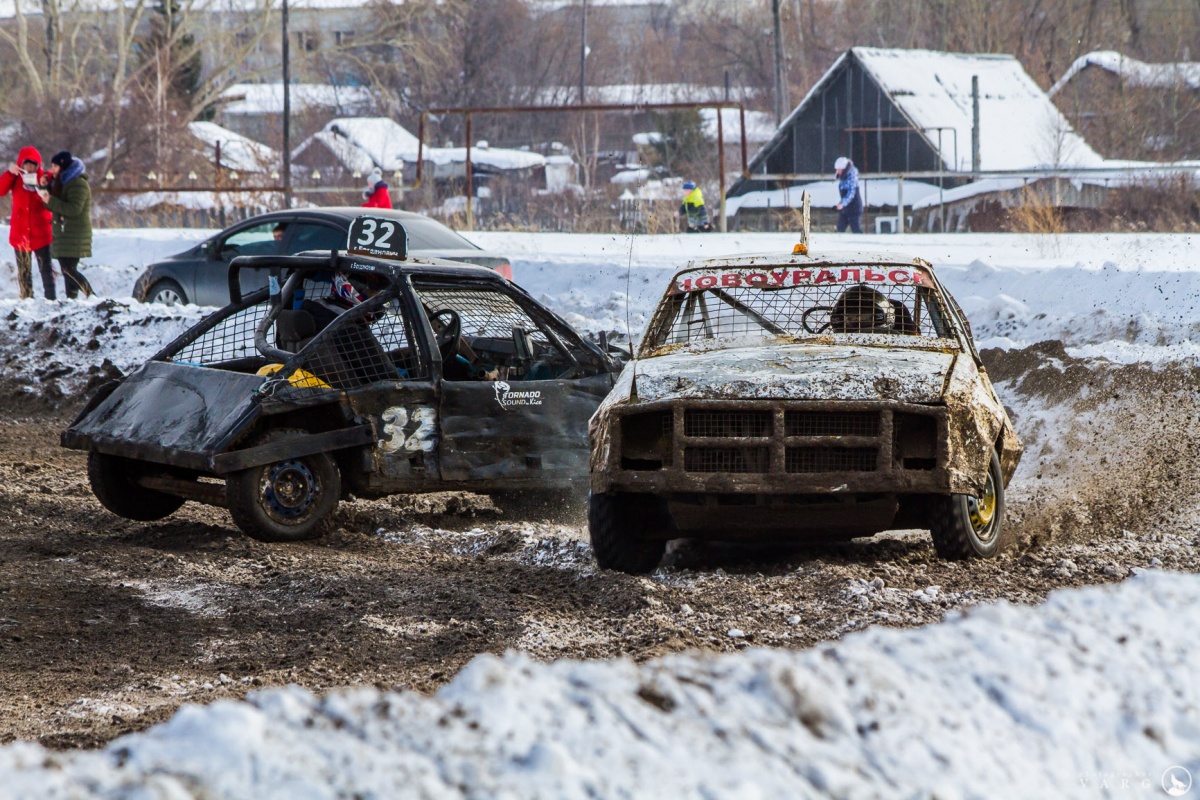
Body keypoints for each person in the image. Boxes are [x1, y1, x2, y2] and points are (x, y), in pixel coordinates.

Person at [0, 147, 55, 300]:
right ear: (21, 165)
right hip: (20, 234)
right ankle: (27, 299)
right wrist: (10, 173)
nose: (30, 168)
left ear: (38, 166)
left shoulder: (44, 178)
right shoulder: (16, 178)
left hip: (41, 233)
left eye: (33, 165)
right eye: (27, 165)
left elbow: (56, 188)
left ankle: (51, 300)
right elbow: (1, 190)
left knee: (46, 271)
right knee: (24, 271)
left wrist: (44, 185)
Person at [37, 151, 93, 299]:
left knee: (68, 270)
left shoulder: (78, 184)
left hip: (74, 234)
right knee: (68, 270)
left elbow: (74, 209)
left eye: (55, 166)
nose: (52, 170)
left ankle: (92, 296)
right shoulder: (62, 182)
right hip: (64, 234)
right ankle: (72, 301)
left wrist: (51, 200)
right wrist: (45, 188)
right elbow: (53, 206)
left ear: (63, 166)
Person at [834, 157, 863, 234]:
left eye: (839, 169)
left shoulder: (852, 178)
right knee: (839, 230)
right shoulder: (843, 178)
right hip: (845, 209)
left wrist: (842, 203)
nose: (837, 171)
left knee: (856, 230)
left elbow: (851, 193)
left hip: (854, 209)